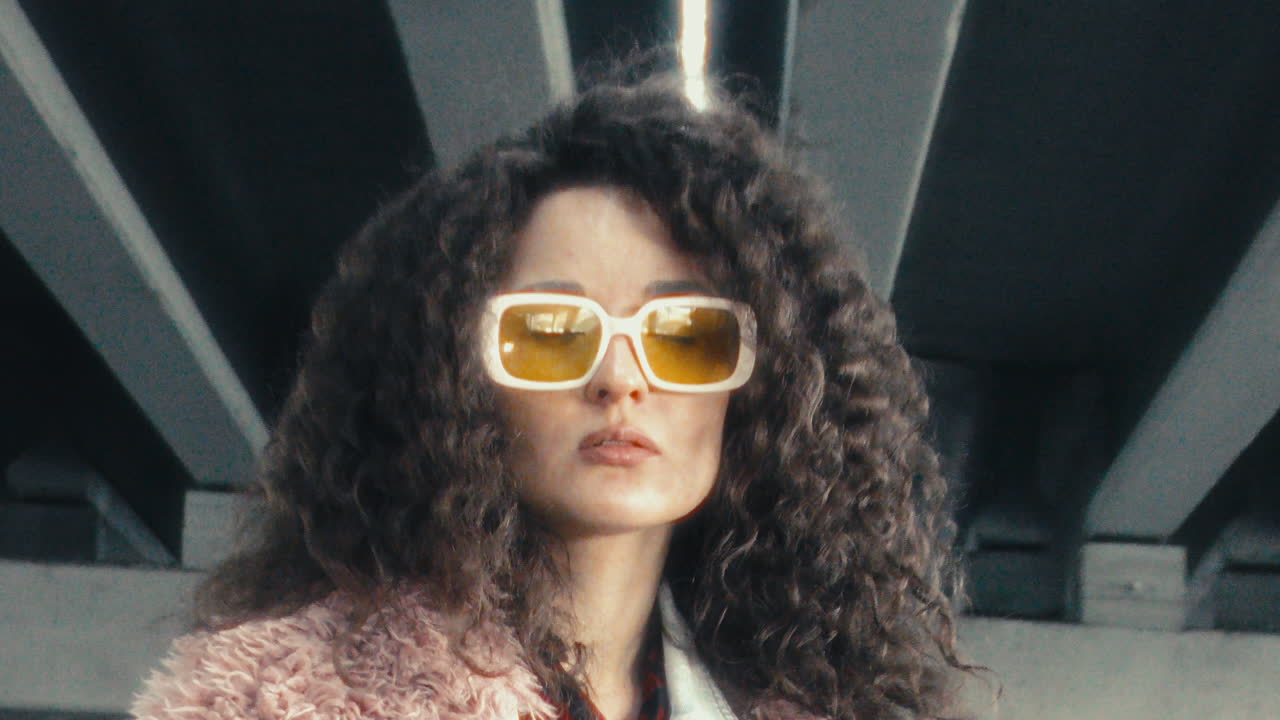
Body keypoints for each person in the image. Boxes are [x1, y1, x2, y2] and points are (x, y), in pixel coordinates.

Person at [131, 69, 973, 720]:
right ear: (453, 377)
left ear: (761, 389)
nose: (619, 379)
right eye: (550, 332)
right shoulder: (271, 700)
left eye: (684, 336)